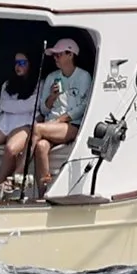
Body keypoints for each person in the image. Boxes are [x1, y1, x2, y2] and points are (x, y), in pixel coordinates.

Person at [0, 49, 42, 200]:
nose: (18, 66)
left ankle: (0, 188)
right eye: (16, 63)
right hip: (5, 124)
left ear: (31, 64)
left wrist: (11, 106)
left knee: (10, 149)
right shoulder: (7, 84)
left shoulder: (39, 84)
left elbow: (32, 105)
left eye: (23, 63)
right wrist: (19, 106)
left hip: (25, 124)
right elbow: (0, 104)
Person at [27, 38, 92, 193]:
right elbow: (43, 108)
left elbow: (82, 107)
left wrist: (59, 120)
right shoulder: (51, 77)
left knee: (37, 128)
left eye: (58, 54)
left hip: (71, 125)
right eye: (54, 56)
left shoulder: (84, 77)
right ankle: (43, 193)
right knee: (41, 147)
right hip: (51, 126)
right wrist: (52, 97)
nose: (55, 58)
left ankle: (18, 172)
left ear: (70, 55)